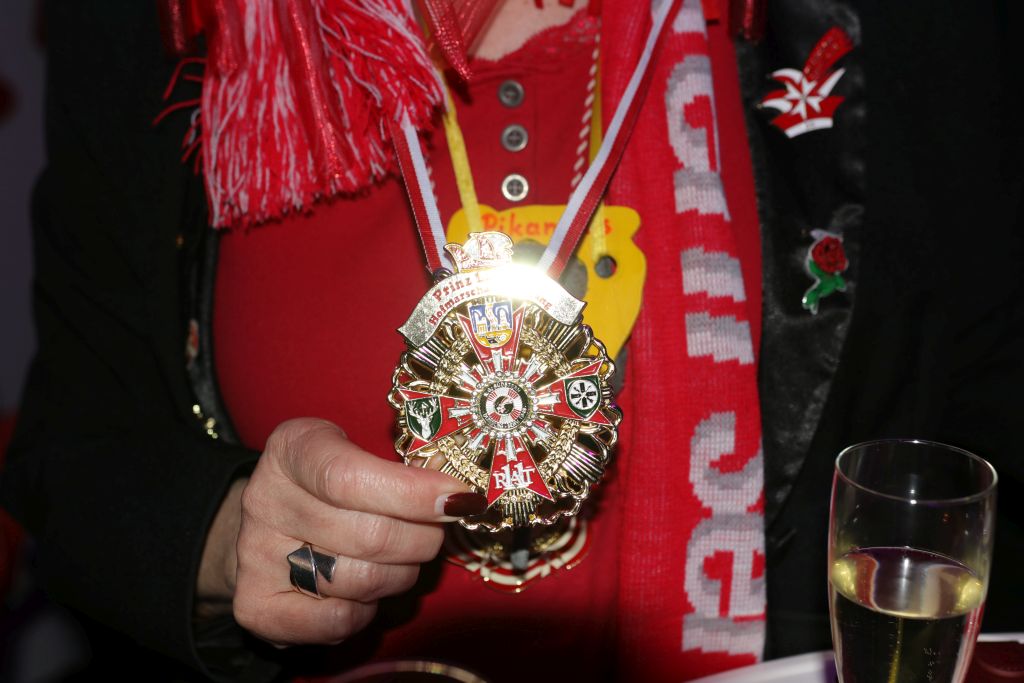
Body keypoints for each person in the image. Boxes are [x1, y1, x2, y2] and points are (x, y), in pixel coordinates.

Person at [2, 0, 1022, 681]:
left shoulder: (900, 22)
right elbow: (75, 443)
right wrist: (226, 535)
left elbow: (988, 432)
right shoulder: (177, 18)